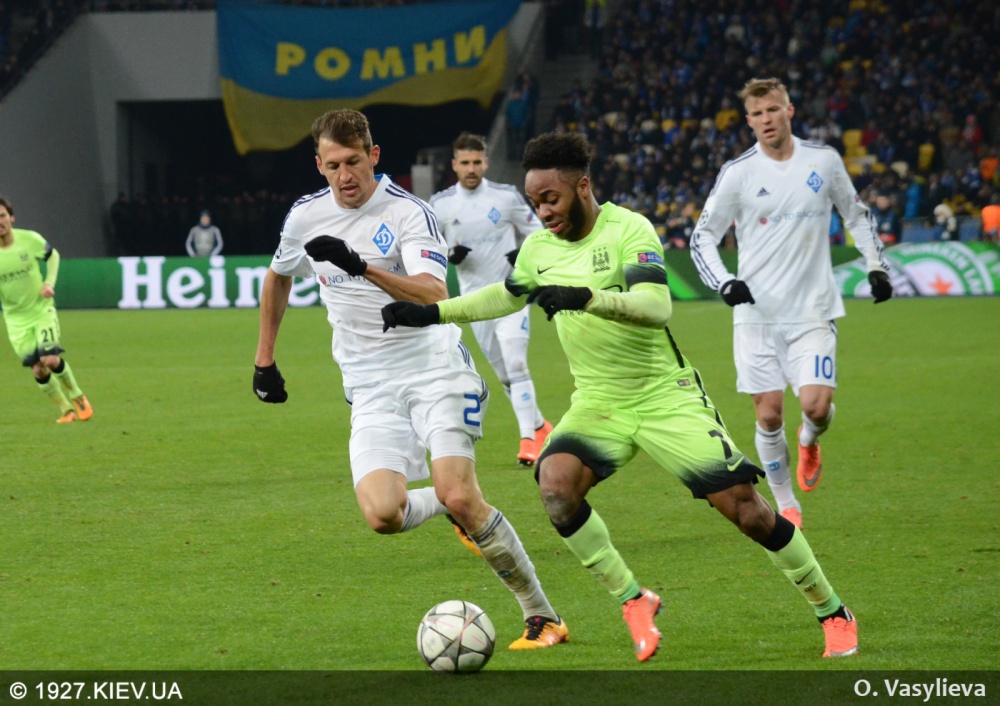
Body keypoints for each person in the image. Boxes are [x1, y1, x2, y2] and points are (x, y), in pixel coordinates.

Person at [383, 132, 860, 662]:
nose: (543, 212)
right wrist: (431, 312)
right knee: (556, 486)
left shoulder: (629, 229)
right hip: (599, 402)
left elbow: (656, 306)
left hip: (664, 396)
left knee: (747, 511)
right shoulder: (539, 249)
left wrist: (587, 297)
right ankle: (634, 600)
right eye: (536, 202)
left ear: (583, 186)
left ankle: (833, 611)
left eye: (552, 199)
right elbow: (505, 295)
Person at [251, 109, 568, 650]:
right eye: (333, 165)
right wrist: (265, 359)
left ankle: (542, 615)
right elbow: (278, 276)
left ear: (373, 156)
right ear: (319, 165)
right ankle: (444, 503)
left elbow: (434, 293)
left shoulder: (408, 212)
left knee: (462, 494)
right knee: (383, 514)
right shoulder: (305, 216)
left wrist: (362, 267)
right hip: (369, 385)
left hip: (434, 370)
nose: (345, 175)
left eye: (354, 161)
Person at [690, 78, 892, 531]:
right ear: (748, 120)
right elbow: (702, 236)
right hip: (756, 316)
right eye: (757, 114)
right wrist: (725, 282)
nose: (766, 120)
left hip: (812, 310)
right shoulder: (738, 173)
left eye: (773, 110)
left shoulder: (823, 160)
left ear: (789, 111)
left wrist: (876, 265)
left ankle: (809, 438)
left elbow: (856, 215)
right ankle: (787, 505)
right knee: (768, 414)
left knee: (816, 407)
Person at [430, 132, 552, 466]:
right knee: (505, 375)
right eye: (465, 163)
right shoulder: (440, 205)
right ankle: (540, 426)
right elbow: (428, 246)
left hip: (512, 295)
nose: (471, 168)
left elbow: (537, 233)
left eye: (476, 162)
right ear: (455, 165)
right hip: (476, 303)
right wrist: (448, 254)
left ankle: (528, 439)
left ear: (485, 162)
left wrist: (522, 254)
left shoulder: (506, 196)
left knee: (516, 363)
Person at [0, 196, 94, 423]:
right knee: (38, 370)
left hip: (41, 311)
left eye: (2, 216)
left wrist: (49, 283)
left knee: (50, 359)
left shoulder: (30, 240)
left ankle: (78, 396)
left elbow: (53, 256)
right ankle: (66, 410)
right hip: (15, 320)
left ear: (11, 217)